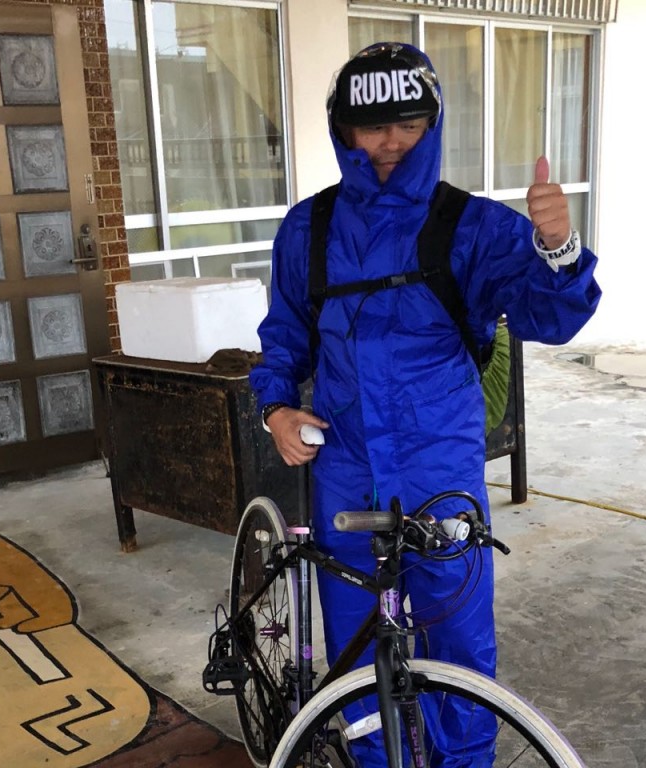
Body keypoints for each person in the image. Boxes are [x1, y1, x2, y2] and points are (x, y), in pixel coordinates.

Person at [250, 42, 600, 766]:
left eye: (408, 124)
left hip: (439, 464)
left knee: (459, 639)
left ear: (432, 125)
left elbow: (549, 317)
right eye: (372, 126)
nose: (390, 143)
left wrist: (559, 248)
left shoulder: (472, 226)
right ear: (343, 130)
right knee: (354, 645)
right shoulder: (308, 229)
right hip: (345, 464)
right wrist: (276, 408)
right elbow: (284, 335)